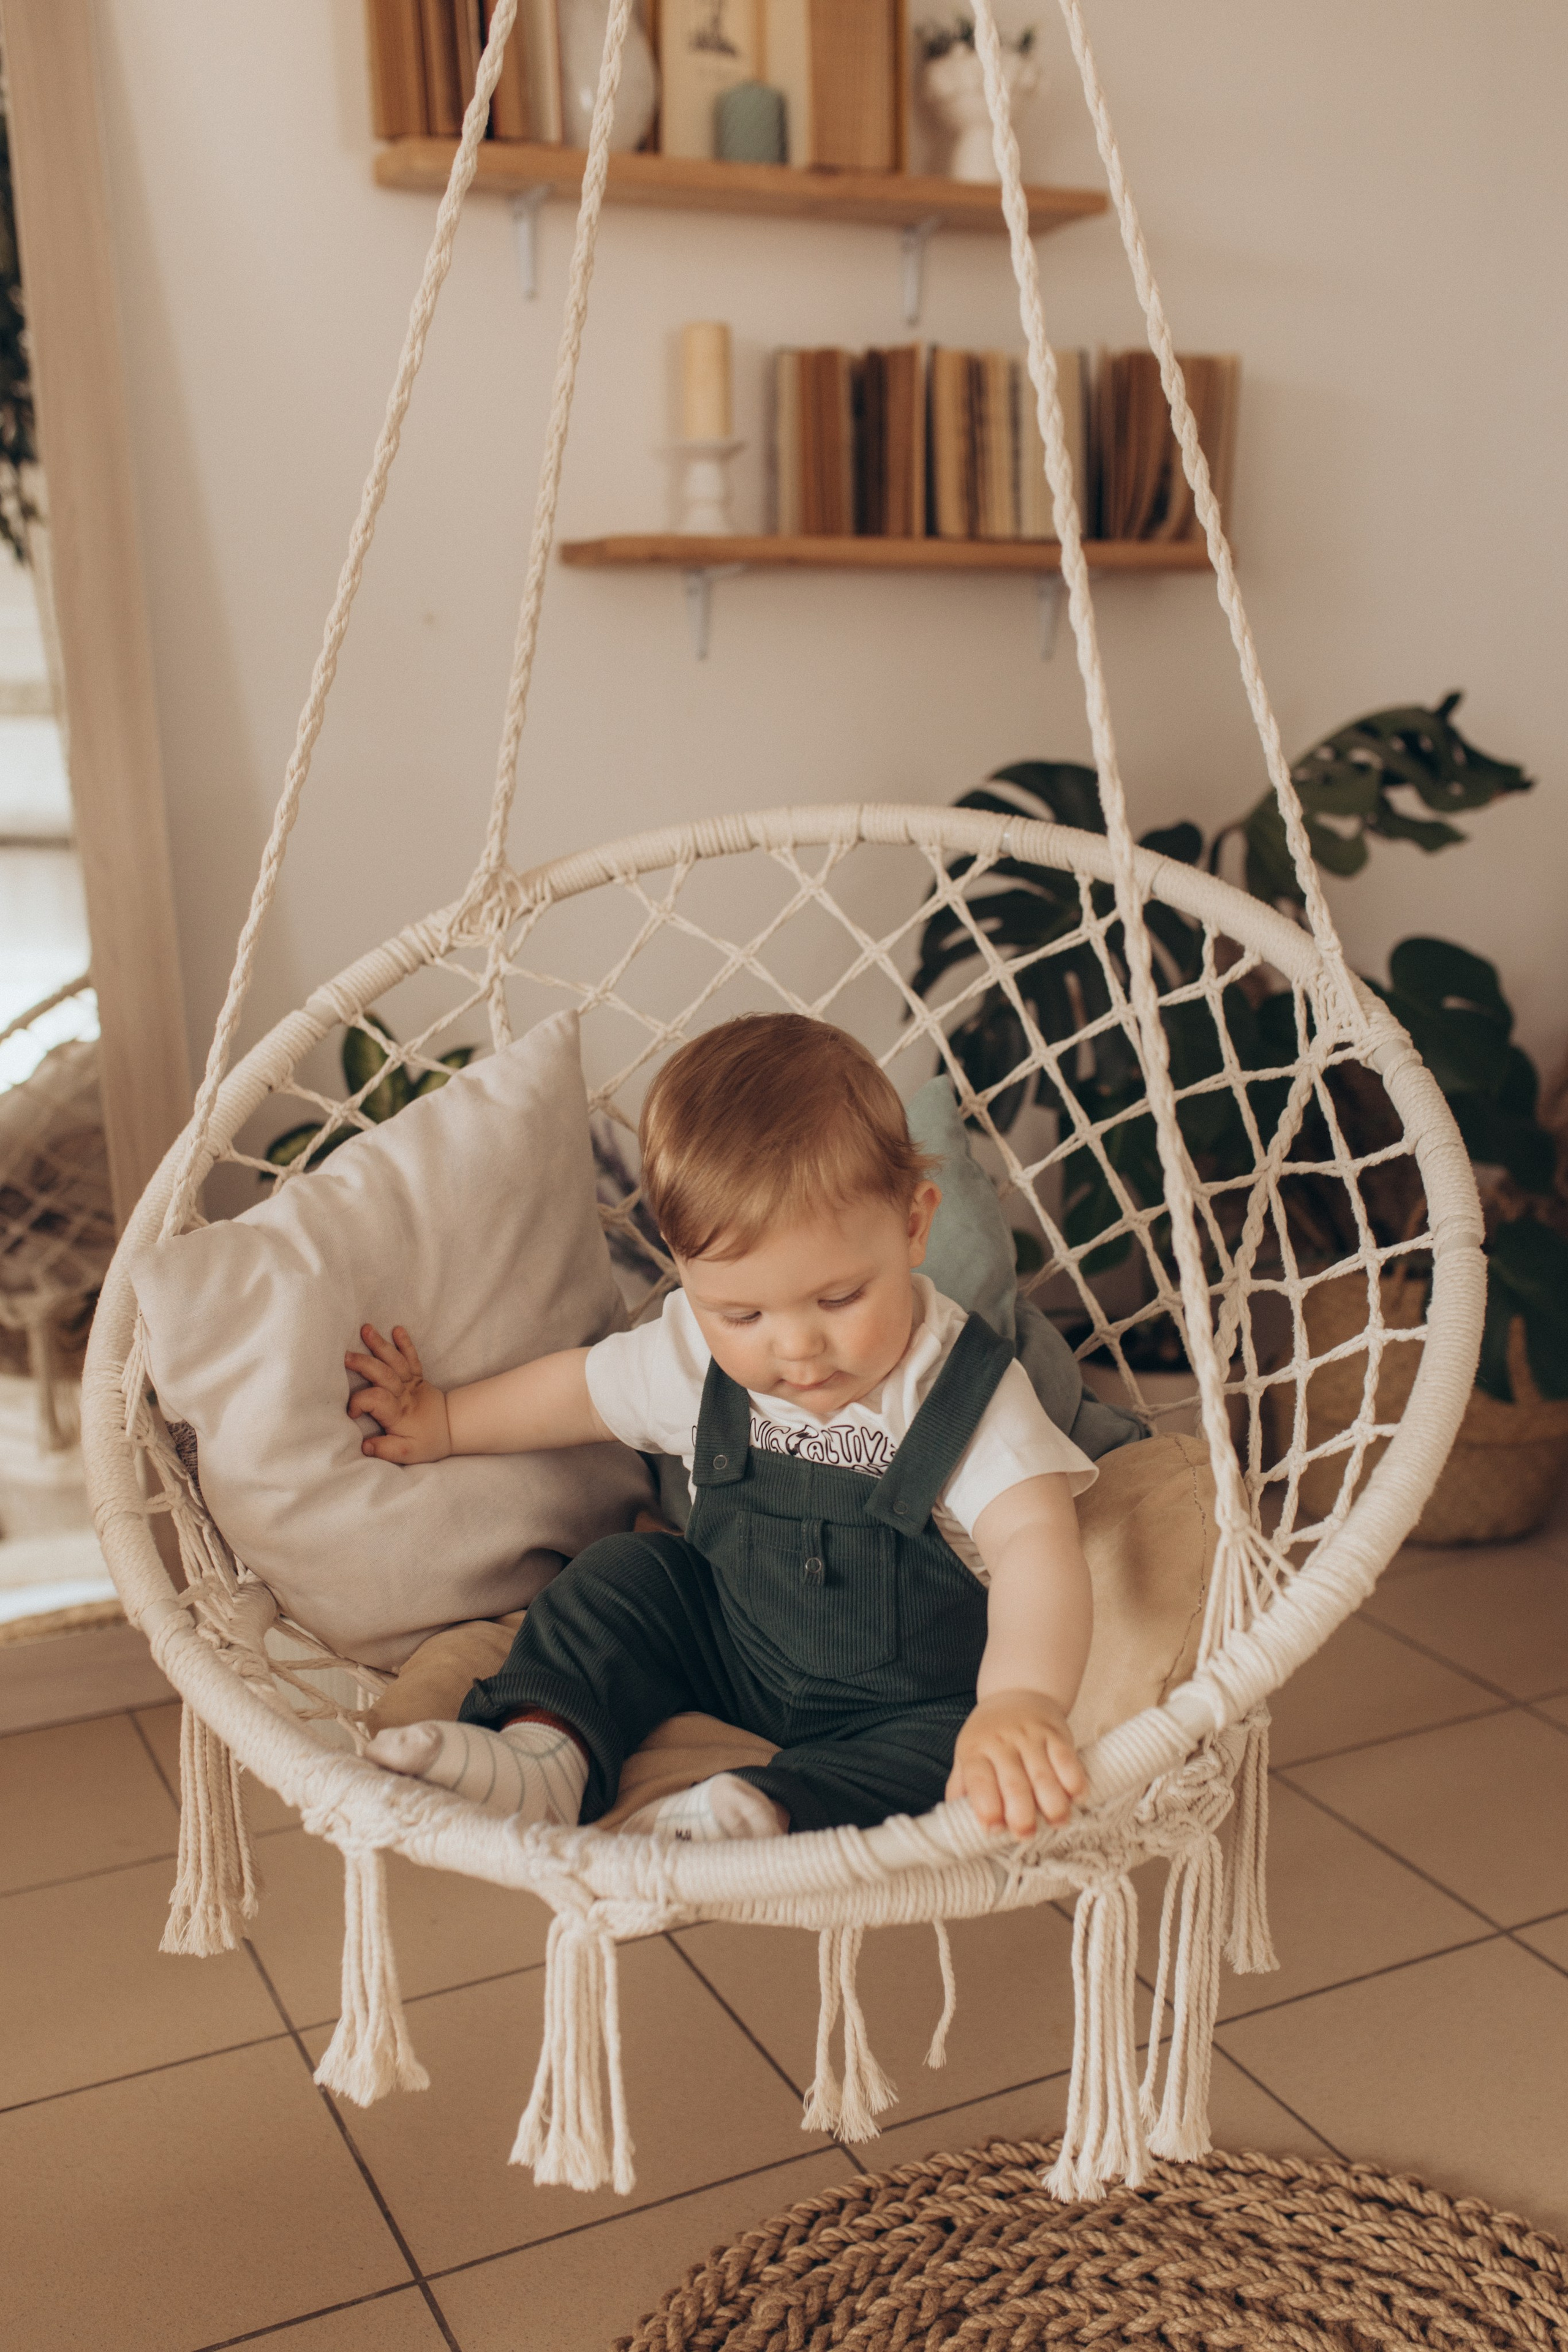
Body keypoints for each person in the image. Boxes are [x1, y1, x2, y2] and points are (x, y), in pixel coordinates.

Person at [354, 1014, 1096, 1845]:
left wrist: (1021, 1700)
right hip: (731, 1643)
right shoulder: (695, 1357)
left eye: (840, 1298)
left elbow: (1039, 1546)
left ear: (915, 1225)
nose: (796, 1346)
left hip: (908, 1699)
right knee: (622, 1577)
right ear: (687, 1274)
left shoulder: (964, 1392)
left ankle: (762, 1808)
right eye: (740, 1312)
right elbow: (580, 1392)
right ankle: (545, 1753)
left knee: (949, 1760)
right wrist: (448, 1419)